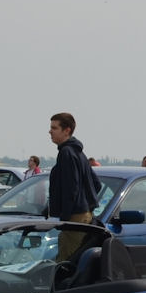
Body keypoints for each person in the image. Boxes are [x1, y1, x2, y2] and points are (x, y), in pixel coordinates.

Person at [47, 112, 102, 265]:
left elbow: (72, 189)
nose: (50, 131)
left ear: (67, 130)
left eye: (54, 128)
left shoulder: (66, 153)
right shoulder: (79, 153)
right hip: (84, 215)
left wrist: (65, 217)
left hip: (75, 217)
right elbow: (96, 184)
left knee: (66, 263)